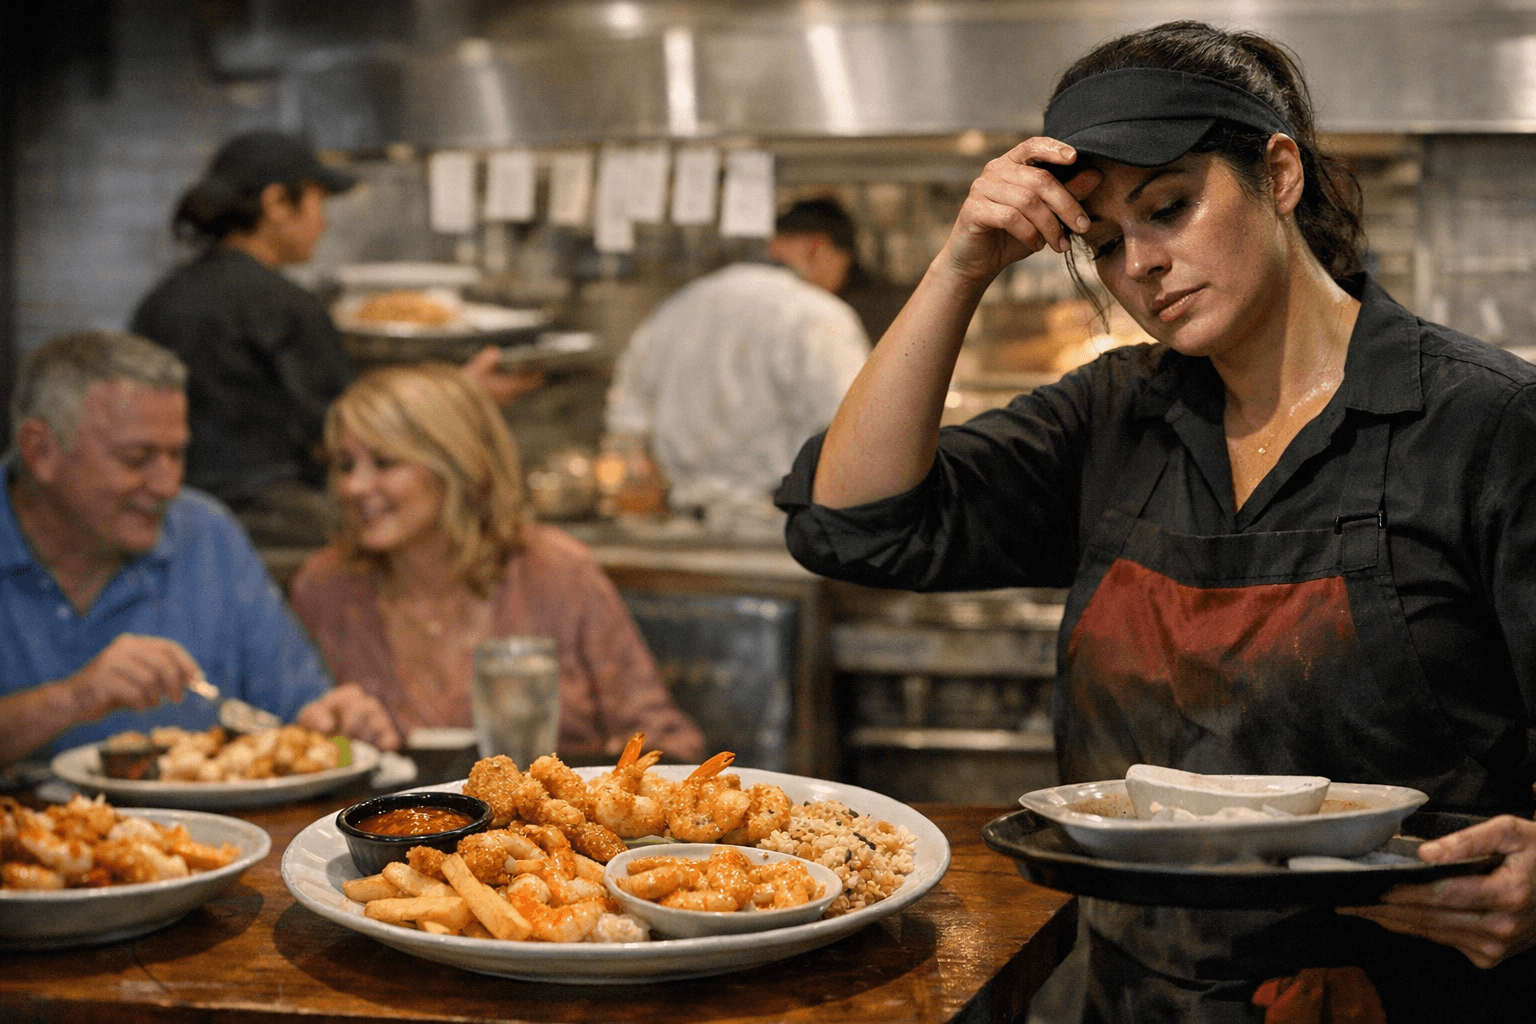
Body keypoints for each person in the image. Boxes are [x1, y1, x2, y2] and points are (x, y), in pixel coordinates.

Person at [776, 20, 1536, 1023]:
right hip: (1128, 998)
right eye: (1101, 244)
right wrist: (962, 264)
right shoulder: (1114, 416)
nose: (1139, 265)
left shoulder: (1483, 424)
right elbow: (853, 522)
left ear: (1279, 171)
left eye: (1169, 208)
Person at [0, 330, 399, 765]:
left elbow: (293, 705)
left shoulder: (205, 532)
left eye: (177, 455)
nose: (168, 485)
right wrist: (74, 698)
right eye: (137, 459)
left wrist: (333, 720)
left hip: (207, 831)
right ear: (40, 452)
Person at [130, 130, 538, 548]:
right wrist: (461, 396)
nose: (323, 222)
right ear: (276, 204)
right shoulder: (285, 304)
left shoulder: (159, 302)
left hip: (173, 514)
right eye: (318, 203)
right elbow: (339, 430)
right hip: (278, 520)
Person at [288, 363, 706, 763]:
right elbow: (299, 747)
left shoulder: (556, 571)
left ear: (457, 464)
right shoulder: (325, 586)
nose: (354, 486)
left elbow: (665, 743)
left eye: (384, 462)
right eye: (344, 464)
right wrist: (328, 735)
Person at [603, 198, 871, 529]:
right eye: (843, 267)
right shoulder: (820, 316)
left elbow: (626, 421)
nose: (839, 283)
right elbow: (858, 430)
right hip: (781, 531)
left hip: (681, 528)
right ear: (818, 247)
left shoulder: (680, 305)